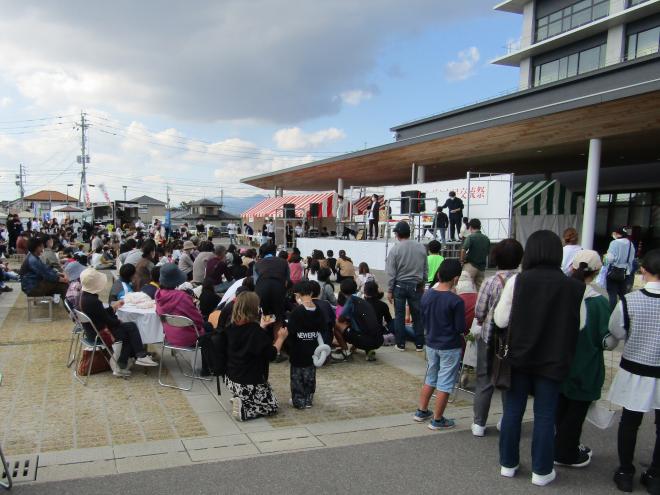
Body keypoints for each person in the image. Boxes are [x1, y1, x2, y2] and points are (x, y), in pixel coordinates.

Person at [494, 230, 586, 487]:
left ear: (531, 252)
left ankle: (508, 465)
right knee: (545, 415)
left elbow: (500, 319)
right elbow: (581, 324)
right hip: (554, 359)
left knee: (513, 411)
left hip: (519, 358)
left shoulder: (517, 281)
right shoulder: (574, 286)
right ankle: (542, 472)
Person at [606, 249, 660, 493]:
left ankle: (625, 471)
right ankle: (655, 475)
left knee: (630, 422)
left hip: (636, 368)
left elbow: (617, 331)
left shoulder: (630, 301)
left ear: (644, 270)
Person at [554, 250, 610, 468]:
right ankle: (565, 451)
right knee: (576, 411)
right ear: (596, 272)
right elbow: (606, 339)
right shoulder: (598, 301)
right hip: (585, 362)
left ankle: (562, 444)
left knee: (560, 404)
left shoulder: (560, 293)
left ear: (572, 267)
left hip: (558, 361)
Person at [471, 238, 524, 438]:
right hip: (515, 338)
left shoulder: (490, 281)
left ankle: (479, 424)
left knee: (484, 379)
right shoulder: (522, 280)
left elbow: (480, 312)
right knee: (508, 379)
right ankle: (506, 420)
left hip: (490, 335)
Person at [413, 259, 465, 430]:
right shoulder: (455, 301)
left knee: (431, 376)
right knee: (445, 382)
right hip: (450, 345)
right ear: (456, 279)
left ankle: (421, 410)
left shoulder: (427, 295)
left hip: (431, 343)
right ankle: (438, 418)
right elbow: (460, 328)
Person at [221, 292, 288, 421]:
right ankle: (245, 410)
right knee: (271, 406)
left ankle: (240, 397)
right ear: (254, 309)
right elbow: (271, 355)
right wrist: (281, 338)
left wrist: (261, 326)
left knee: (263, 394)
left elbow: (248, 342)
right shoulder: (255, 331)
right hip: (248, 382)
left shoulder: (231, 327)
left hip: (231, 378)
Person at [79, 268, 158, 377]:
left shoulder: (85, 297)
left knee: (129, 330)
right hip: (101, 333)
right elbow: (108, 320)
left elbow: (100, 314)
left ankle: (128, 361)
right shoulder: (93, 301)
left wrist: (113, 307)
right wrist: (118, 321)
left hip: (92, 331)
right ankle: (139, 356)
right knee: (130, 328)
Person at [386, 221, 427, 352]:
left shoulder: (395, 249)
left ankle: (401, 343)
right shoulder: (421, 247)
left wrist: (389, 290)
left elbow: (391, 272)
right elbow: (425, 268)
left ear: (397, 234)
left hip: (399, 285)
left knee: (399, 315)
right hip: (416, 285)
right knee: (417, 315)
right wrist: (423, 282)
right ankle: (420, 343)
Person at [288, 282, 325, 409]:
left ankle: (298, 400)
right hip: (313, 348)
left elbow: (291, 332)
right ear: (311, 293)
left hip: (298, 349)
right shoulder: (319, 310)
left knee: (297, 376)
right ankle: (308, 399)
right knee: (310, 375)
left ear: (297, 294)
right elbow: (322, 328)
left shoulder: (297, 311)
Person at [155, 264, 207, 348]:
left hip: (170, 337)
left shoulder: (158, 295)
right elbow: (198, 321)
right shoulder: (182, 296)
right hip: (189, 338)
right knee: (210, 327)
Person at [334, 278, 384, 361]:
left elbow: (340, 319)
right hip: (378, 339)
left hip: (365, 339)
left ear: (342, 291)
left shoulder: (350, 302)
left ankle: (346, 352)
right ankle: (369, 350)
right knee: (361, 326)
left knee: (336, 324)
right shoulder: (363, 301)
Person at [19, 237, 69, 302]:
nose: (42, 249)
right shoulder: (33, 260)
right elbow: (47, 274)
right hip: (32, 289)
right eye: (41, 247)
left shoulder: (32, 255)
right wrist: (62, 279)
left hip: (32, 285)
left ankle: (64, 303)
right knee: (63, 285)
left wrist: (58, 274)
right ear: (37, 247)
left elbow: (45, 268)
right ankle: (70, 307)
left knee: (59, 282)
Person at [253, 242, 290, 321]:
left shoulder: (257, 264)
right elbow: (287, 282)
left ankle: (264, 330)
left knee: (264, 317)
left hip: (261, 291)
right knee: (278, 317)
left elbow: (255, 282)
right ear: (274, 252)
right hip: (279, 290)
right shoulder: (284, 262)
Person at [605, 226, 636, 310]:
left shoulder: (614, 243)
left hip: (614, 272)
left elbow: (609, 259)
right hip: (626, 273)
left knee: (612, 294)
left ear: (617, 234)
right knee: (623, 295)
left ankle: (611, 314)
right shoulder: (630, 244)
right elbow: (632, 259)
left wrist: (605, 260)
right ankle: (623, 313)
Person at [460, 219, 490, 291]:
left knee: (464, 287)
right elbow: (488, 252)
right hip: (482, 268)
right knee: (479, 290)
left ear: (470, 227)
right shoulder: (486, 238)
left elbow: (463, 249)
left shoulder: (471, 237)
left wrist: (462, 260)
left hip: (470, 265)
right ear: (479, 227)